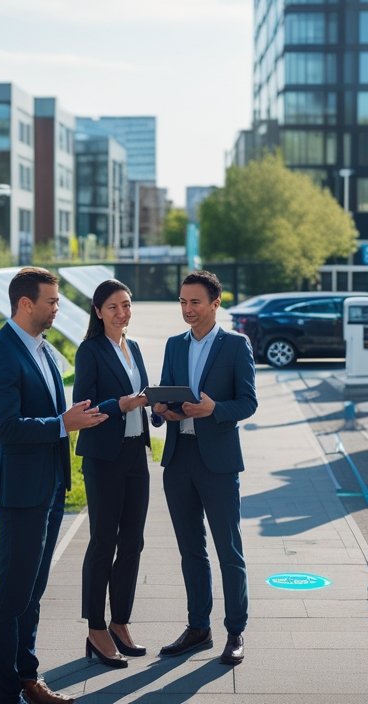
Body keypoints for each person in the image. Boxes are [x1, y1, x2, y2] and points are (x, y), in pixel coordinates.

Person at [0, 267, 108, 704]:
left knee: (32, 592)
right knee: (9, 595)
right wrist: (61, 424)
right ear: (25, 304)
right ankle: (3, 693)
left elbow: (53, 416)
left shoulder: (45, 351)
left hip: (50, 489)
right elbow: (6, 428)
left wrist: (78, 417)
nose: (58, 308)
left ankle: (27, 678)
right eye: (51, 301)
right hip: (18, 493)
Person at [152, 270, 258, 666]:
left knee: (229, 550)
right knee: (190, 550)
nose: (187, 309)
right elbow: (163, 394)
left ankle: (235, 631)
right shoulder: (174, 345)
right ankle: (198, 627)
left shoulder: (235, 345)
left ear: (216, 303)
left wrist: (215, 410)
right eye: (182, 302)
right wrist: (160, 412)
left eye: (195, 302)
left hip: (218, 463)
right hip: (179, 460)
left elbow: (248, 403)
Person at [72, 279, 151, 668]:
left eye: (127, 305)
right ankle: (96, 627)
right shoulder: (90, 351)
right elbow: (82, 406)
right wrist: (119, 404)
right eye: (114, 307)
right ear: (99, 311)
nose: (123, 313)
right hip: (104, 458)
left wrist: (160, 405)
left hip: (136, 454)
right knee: (104, 541)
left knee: (133, 542)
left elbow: (144, 395)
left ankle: (120, 622)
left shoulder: (132, 348)